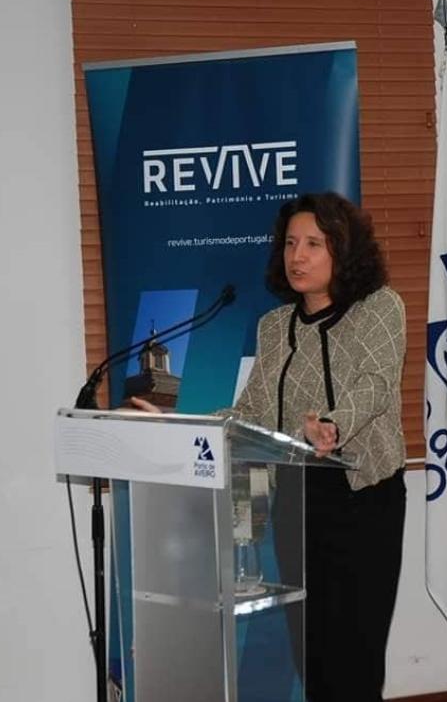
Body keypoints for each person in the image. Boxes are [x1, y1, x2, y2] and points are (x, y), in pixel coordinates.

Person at [133, 191, 407, 701]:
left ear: (343, 252)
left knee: (355, 653)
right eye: (289, 244)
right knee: (311, 652)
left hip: (361, 500)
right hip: (296, 503)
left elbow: (374, 382)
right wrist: (181, 422)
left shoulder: (380, 307)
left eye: (313, 244)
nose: (296, 256)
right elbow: (252, 411)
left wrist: (332, 424)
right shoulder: (275, 327)